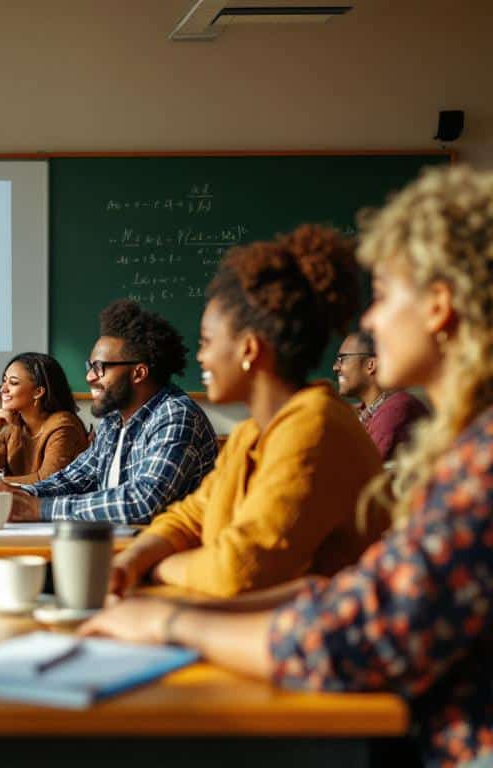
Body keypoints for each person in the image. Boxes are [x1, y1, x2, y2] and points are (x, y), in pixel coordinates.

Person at [80, 166, 493, 768]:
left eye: (383, 297)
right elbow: (341, 592)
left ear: (438, 305)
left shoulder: (473, 457)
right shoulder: (462, 445)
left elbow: (351, 633)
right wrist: (146, 574)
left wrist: (170, 620)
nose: (370, 324)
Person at [107, 225, 385, 598]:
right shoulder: (250, 433)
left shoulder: (314, 428)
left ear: (249, 350)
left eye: (207, 342)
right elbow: (188, 516)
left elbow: (236, 571)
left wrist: (157, 567)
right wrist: (133, 558)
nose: (201, 356)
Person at [0, 300, 218, 523]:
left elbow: (142, 502)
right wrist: (20, 494)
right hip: (120, 545)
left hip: (168, 553)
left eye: (99, 368)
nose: (90, 377)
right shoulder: (114, 420)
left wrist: (40, 509)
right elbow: (76, 478)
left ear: (138, 373)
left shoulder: (175, 417)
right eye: (89, 367)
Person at [0, 352, 88, 483]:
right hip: (19, 502)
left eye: (13, 383)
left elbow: (49, 481)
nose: (2, 389)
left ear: (38, 392)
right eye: (4, 381)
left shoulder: (64, 426)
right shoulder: (12, 425)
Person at [333, 330, 430, 461]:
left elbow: (363, 474)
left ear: (370, 365)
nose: (335, 367)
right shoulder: (361, 412)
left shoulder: (396, 410)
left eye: (342, 359)